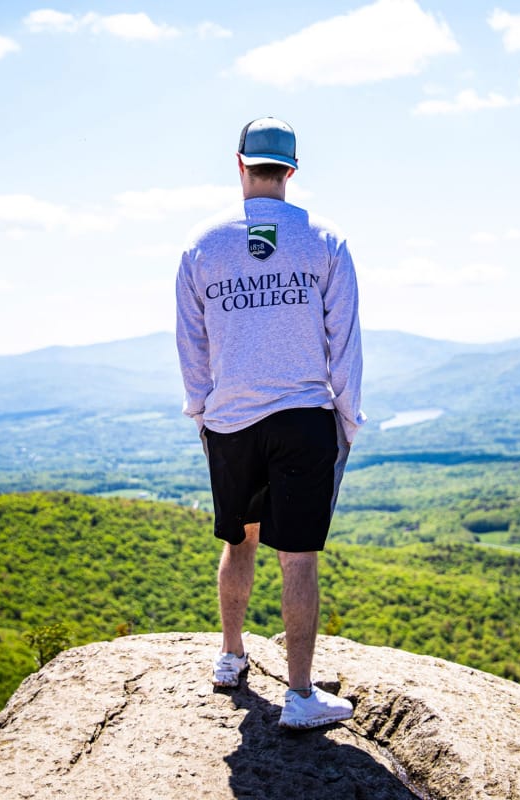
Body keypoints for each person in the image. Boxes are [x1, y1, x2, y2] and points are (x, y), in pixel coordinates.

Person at [175, 116, 365, 730]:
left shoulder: (202, 245)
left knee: (240, 540)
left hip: (231, 417)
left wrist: (203, 409)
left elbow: (191, 342)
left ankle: (231, 656)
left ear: (239, 164)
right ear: (291, 170)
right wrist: (348, 418)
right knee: (300, 558)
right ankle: (301, 695)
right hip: (305, 415)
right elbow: (346, 338)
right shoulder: (325, 240)